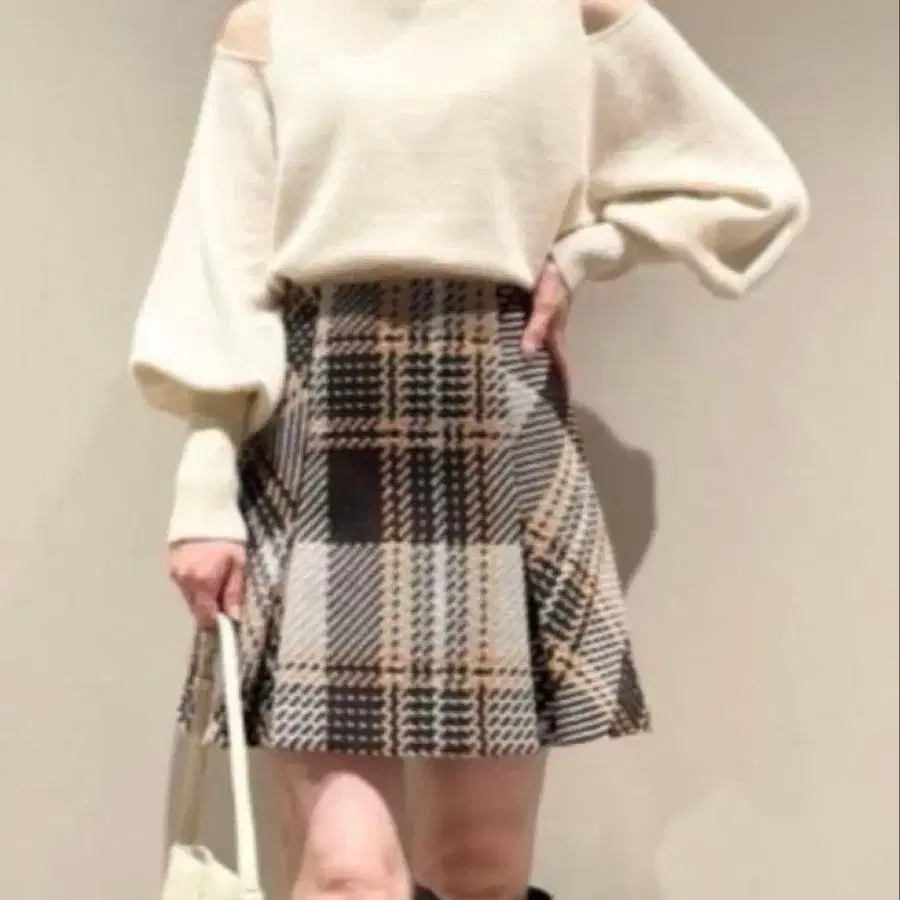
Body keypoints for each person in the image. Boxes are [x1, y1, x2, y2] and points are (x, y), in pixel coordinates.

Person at [129, 1, 808, 898]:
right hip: (318, 417)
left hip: (494, 409)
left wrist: (590, 251)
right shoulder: (274, 24)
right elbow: (221, 262)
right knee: (345, 873)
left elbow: (753, 185)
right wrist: (204, 483)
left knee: (479, 868)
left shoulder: (572, 14)